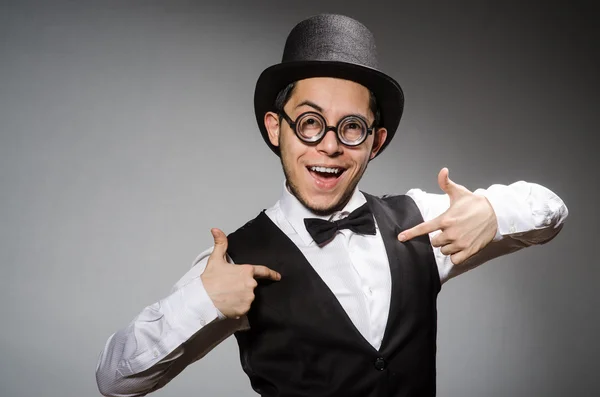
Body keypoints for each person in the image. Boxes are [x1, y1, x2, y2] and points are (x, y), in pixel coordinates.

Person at [95, 14, 568, 397]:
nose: (329, 146)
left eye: (352, 128)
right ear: (275, 129)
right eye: (309, 122)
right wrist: (205, 302)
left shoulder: (422, 223)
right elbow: (115, 379)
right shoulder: (234, 263)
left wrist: (491, 210)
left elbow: (551, 209)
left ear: (375, 141)